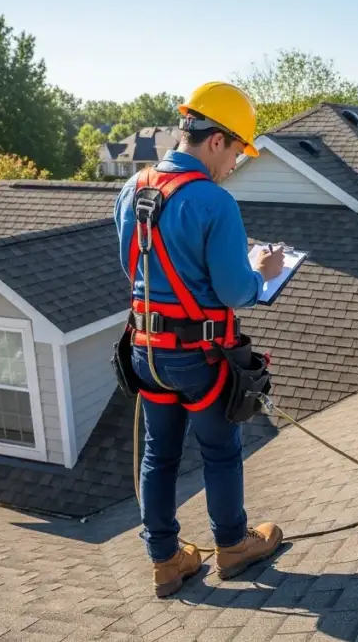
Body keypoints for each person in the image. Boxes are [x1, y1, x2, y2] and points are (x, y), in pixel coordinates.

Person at [113, 81, 286, 597]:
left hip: (145, 350)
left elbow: (131, 266)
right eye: (236, 152)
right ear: (217, 141)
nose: (234, 164)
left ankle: (166, 559)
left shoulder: (132, 188)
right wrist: (262, 271)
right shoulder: (213, 202)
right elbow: (234, 290)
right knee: (220, 450)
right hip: (197, 355)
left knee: (157, 454)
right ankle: (232, 546)